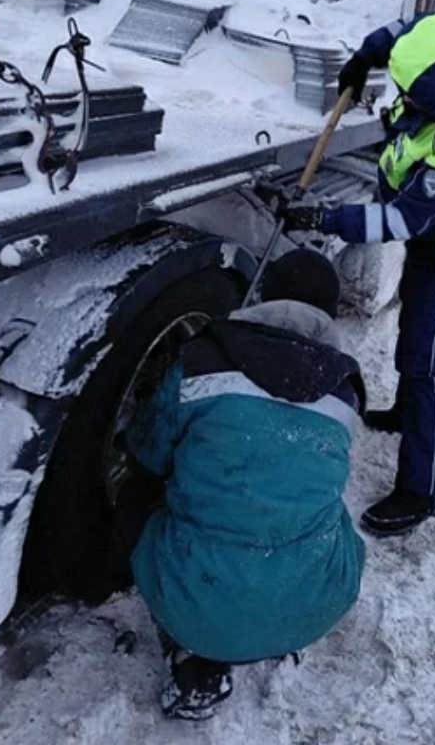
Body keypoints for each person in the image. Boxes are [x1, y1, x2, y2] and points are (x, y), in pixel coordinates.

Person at [275, 11, 435, 537]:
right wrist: (365, 56)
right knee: (413, 329)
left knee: (427, 361)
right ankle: (406, 414)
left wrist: (323, 216)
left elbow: (399, 220)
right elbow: (405, 30)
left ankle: (419, 492)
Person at [121, 249, 368, 721]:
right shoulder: (344, 388)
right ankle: (275, 615)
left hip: (201, 610)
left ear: (265, 297)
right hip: (317, 607)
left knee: (138, 494)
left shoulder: (203, 359)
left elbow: (147, 452)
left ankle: (191, 650)